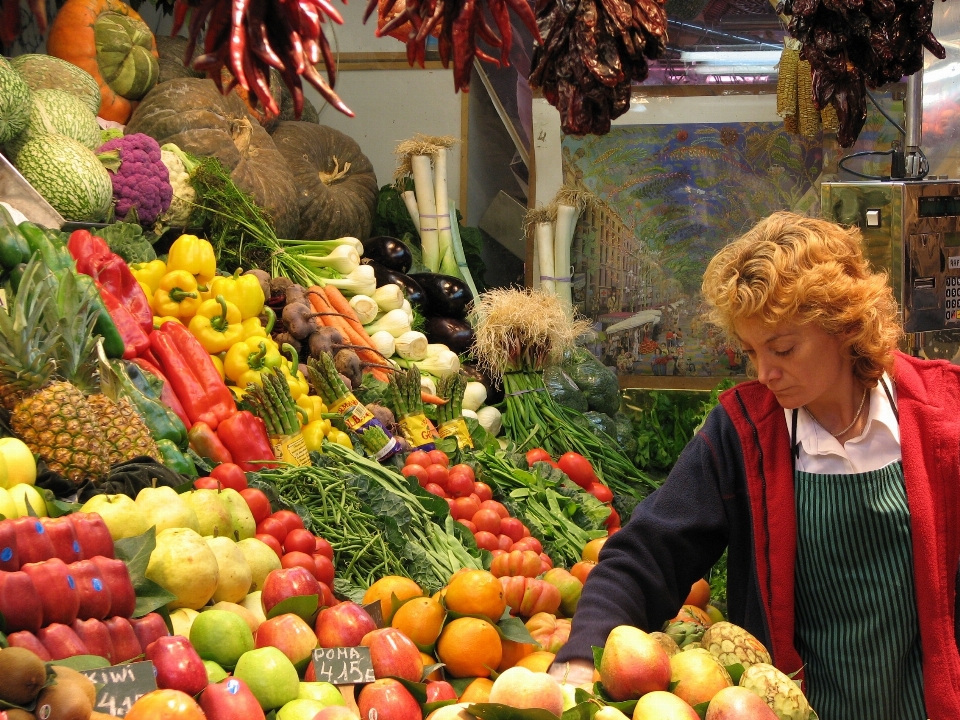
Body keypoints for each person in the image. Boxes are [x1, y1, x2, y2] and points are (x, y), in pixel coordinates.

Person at [549, 211, 960, 720]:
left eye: (783, 348)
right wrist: (578, 658)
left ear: (844, 324)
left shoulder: (943, 416)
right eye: (751, 352)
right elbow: (648, 554)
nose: (766, 373)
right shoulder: (744, 432)